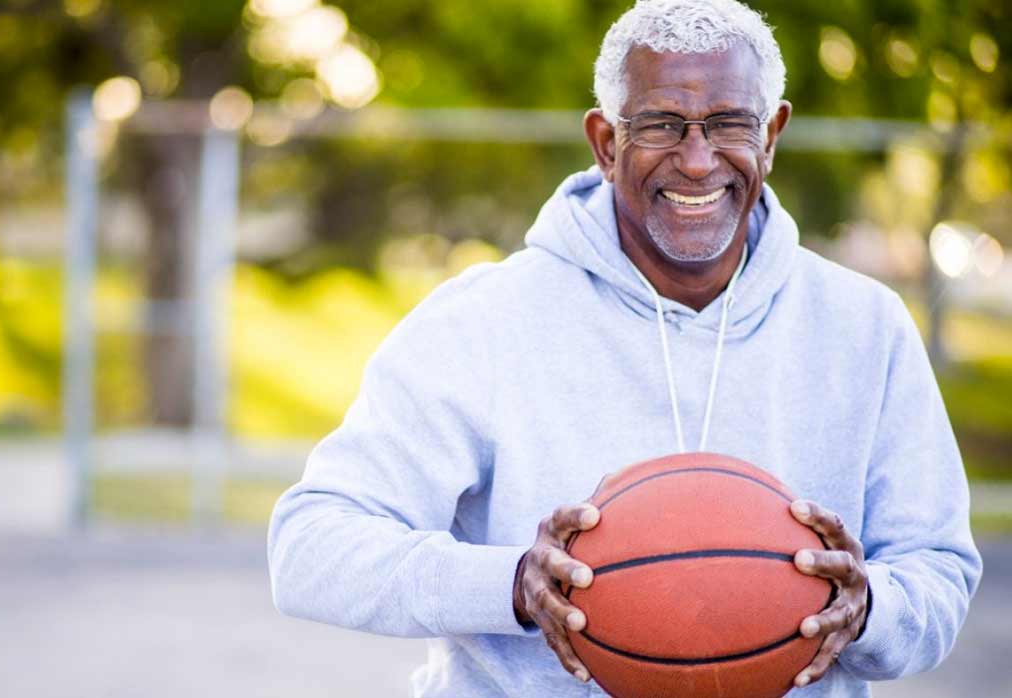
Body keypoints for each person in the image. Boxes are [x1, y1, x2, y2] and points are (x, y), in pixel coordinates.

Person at [265, 1, 983, 696]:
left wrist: (870, 609)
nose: (698, 161)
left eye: (729, 124)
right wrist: (513, 583)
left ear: (772, 135)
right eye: (662, 126)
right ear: (607, 143)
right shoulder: (482, 322)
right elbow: (310, 547)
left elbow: (938, 568)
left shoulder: (864, 328)